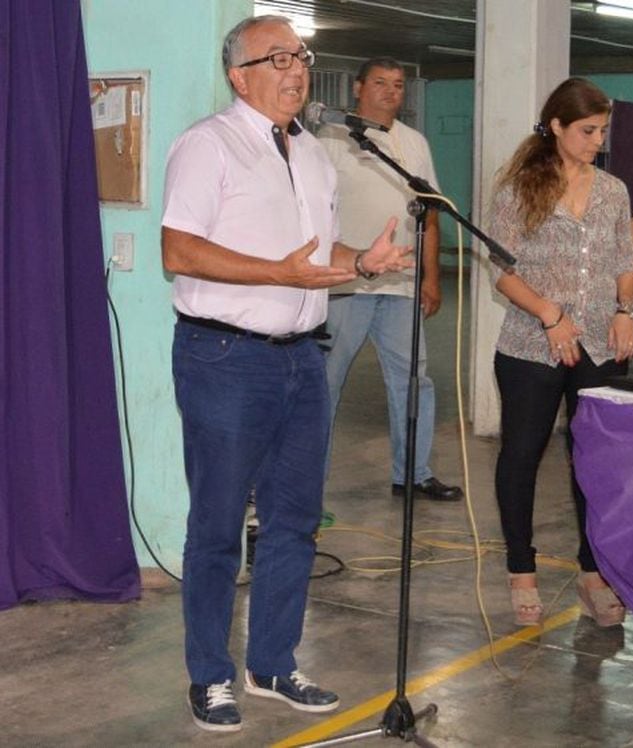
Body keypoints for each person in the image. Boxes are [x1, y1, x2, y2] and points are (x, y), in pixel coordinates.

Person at [162, 16, 411, 732]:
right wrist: (277, 273)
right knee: (216, 528)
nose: (297, 70)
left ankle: (272, 661)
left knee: (294, 523)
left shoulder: (312, 151)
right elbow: (178, 250)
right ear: (239, 75)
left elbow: (311, 250)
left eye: (301, 56)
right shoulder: (207, 145)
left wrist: (360, 261)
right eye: (279, 59)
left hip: (304, 355)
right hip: (224, 358)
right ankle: (210, 675)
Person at [487, 78, 633, 628]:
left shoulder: (614, 191)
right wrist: (550, 315)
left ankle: (593, 572)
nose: (598, 139)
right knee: (522, 456)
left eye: (603, 130)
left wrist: (627, 310)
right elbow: (502, 272)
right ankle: (521, 570)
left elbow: (625, 258)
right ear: (556, 126)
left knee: (595, 461)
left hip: (600, 343)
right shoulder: (518, 189)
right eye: (587, 130)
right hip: (531, 344)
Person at [318, 58, 462, 502]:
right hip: (345, 283)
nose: (390, 91)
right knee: (325, 383)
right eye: (380, 83)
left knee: (414, 379)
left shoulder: (412, 143)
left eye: (398, 85)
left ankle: (414, 474)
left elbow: (430, 212)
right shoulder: (329, 142)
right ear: (358, 88)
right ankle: (307, 484)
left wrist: (431, 277)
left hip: (401, 285)